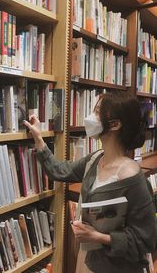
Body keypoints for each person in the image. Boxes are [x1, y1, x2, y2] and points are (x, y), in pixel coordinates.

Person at [23, 91, 157, 273]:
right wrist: (39, 139)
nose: (91, 117)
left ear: (115, 124)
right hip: (89, 261)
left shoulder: (133, 179)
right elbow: (60, 170)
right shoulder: (95, 159)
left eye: (98, 111)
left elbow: (145, 240)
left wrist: (100, 237)